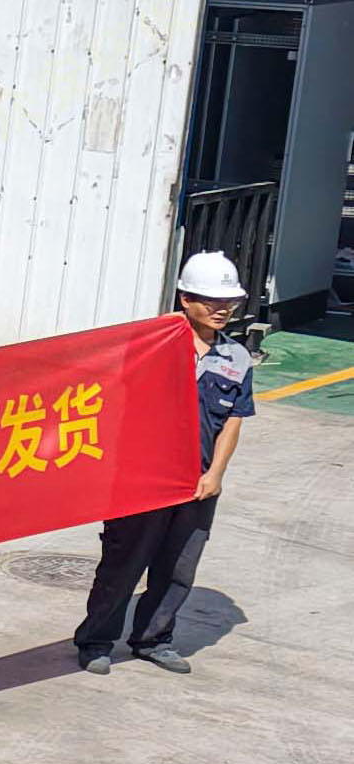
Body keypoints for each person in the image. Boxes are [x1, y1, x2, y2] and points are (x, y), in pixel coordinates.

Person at [73, 252, 256, 676]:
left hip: (197, 486)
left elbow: (232, 422)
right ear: (184, 299)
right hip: (141, 483)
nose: (221, 309)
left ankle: (153, 639)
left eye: (228, 301)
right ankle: (96, 640)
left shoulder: (237, 359)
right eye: (209, 300)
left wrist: (216, 475)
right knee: (123, 563)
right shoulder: (148, 348)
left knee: (178, 567)